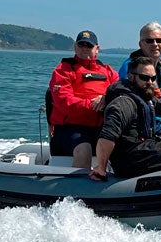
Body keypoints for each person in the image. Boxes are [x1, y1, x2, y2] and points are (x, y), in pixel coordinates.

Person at [47, 30, 119, 168]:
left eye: (89, 46)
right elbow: (65, 103)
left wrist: (106, 99)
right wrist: (95, 105)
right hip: (69, 129)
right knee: (84, 149)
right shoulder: (62, 70)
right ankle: (78, 188)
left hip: (102, 128)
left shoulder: (109, 72)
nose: (85, 48)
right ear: (75, 47)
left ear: (97, 49)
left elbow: (121, 93)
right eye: (81, 45)